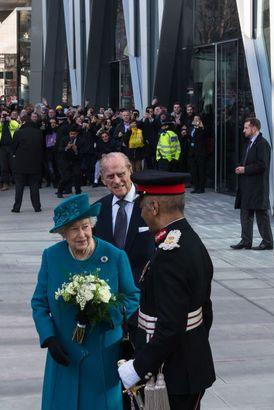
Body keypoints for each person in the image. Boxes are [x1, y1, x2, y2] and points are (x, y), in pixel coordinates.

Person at [32, 193, 139, 410]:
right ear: (64, 233)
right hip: (64, 353)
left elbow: (132, 297)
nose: (81, 234)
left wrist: (107, 312)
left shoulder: (115, 256)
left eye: (85, 227)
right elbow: (39, 303)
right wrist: (49, 338)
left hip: (103, 355)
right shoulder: (51, 256)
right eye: (74, 229)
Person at [118, 170, 215, 410]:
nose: (140, 213)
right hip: (188, 364)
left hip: (173, 373)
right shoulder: (187, 239)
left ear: (154, 207)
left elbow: (170, 327)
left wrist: (137, 367)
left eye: (141, 205)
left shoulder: (171, 254)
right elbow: (205, 311)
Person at [93, 153, 154, 284]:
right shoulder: (97, 209)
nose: (116, 181)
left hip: (144, 287)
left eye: (120, 174)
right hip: (108, 289)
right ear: (103, 179)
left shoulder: (152, 204)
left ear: (130, 171)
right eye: (110, 176)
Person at [231, 118, 273, 250]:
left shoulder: (262, 144)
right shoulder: (249, 143)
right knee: (245, 213)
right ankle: (245, 241)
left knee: (261, 215)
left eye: (246, 128)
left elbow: (262, 165)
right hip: (246, 186)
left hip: (257, 186)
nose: (243, 130)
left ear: (254, 128)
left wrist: (245, 169)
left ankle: (267, 242)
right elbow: (247, 162)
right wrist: (241, 167)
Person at [11, 113, 43, 213]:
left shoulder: (18, 133)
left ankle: (17, 207)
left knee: (19, 186)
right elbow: (42, 148)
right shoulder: (39, 133)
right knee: (34, 186)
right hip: (35, 163)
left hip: (20, 163)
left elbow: (13, 148)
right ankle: (37, 207)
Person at [0, 110, 20, 191]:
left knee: (13, 166)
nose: (4, 115)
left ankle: (18, 183)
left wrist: (10, 120)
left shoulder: (12, 122)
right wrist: (1, 122)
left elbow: (18, 127)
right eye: (3, 114)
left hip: (11, 147)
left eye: (6, 114)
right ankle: (5, 184)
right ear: (0, 115)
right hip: (1, 148)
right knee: (4, 166)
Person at [56, 125, 83, 198]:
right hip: (66, 161)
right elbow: (60, 149)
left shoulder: (80, 140)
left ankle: (78, 191)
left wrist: (76, 150)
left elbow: (83, 152)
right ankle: (60, 191)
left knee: (77, 175)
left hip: (76, 161)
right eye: (71, 134)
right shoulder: (64, 139)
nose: (72, 136)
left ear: (76, 134)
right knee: (66, 177)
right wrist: (66, 148)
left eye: (74, 134)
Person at [188, 115, 209, 194]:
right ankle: (196, 187)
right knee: (194, 171)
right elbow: (190, 137)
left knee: (201, 170)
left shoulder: (202, 129)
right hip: (192, 152)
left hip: (200, 152)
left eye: (197, 119)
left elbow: (202, 136)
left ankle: (201, 188)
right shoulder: (191, 128)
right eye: (194, 119)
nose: (195, 120)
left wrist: (200, 127)